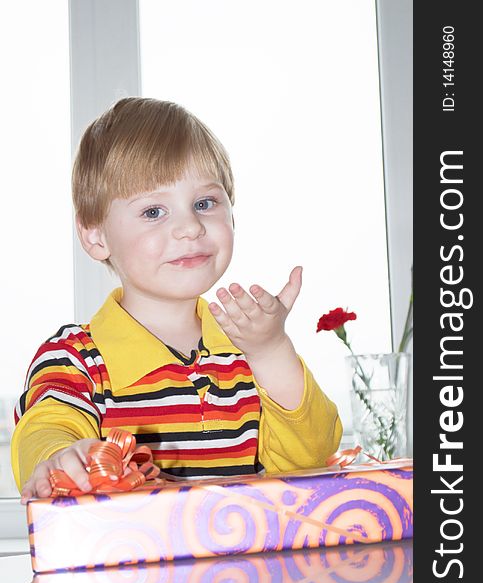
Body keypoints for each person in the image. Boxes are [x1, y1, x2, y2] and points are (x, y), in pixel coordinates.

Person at [11, 97, 342, 505]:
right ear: (95, 235)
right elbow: (44, 425)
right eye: (153, 211)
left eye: (205, 203)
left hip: (246, 567)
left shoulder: (250, 351)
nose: (189, 226)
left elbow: (311, 460)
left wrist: (272, 351)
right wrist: (59, 456)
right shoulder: (75, 359)